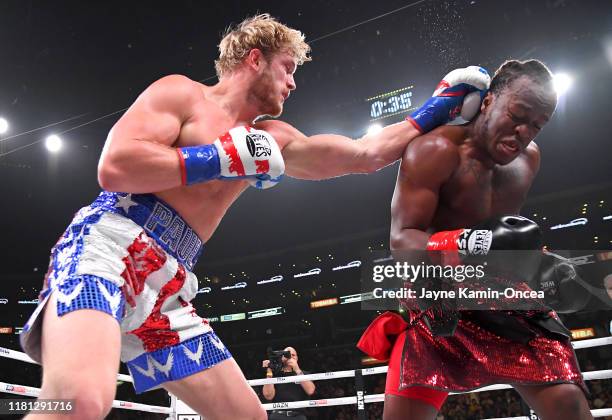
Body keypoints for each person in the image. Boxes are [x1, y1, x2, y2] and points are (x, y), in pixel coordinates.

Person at [20, 14, 487, 420]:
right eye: (288, 67)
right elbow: (115, 168)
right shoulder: (183, 95)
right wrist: (218, 158)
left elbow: (364, 154)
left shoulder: (275, 139)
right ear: (255, 58)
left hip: (168, 286)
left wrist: (437, 109)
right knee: (79, 403)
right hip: (109, 248)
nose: (294, 82)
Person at [358, 59, 593, 420]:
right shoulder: (434, 151)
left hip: (501, 295)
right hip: (437, 298)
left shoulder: (527, 160)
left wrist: (540, 261)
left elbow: (501, 240)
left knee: (569, 406)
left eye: (537, 125)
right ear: (487, 102)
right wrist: (465, 242)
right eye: (517, 114)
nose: (524, 131)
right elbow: (401, 240)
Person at [262, 347, 315, 419]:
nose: (290, 357)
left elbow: (310, 391)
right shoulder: (274, 374)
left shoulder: (304, 374)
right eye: (287, 354)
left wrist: (297, 369)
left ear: (297, 358)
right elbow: (268, 396)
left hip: (298, 416)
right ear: (282, 357)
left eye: (293, 355)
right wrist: (269, 371)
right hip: (278, 416)